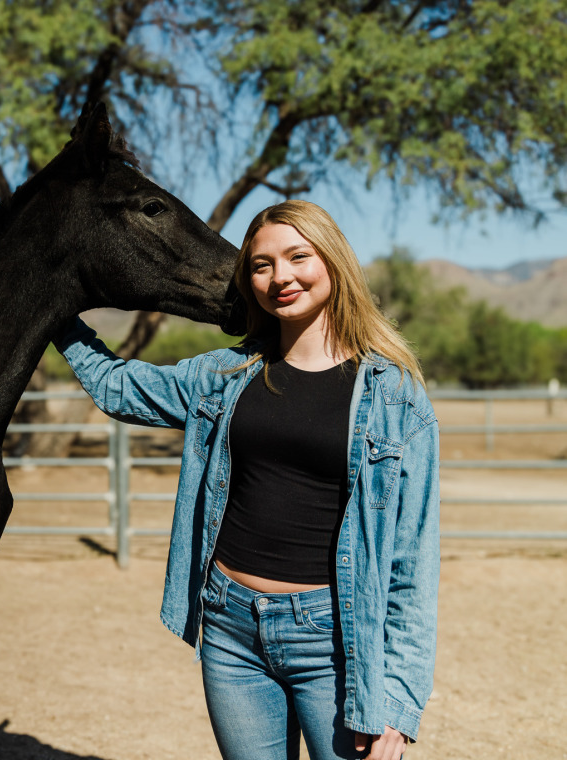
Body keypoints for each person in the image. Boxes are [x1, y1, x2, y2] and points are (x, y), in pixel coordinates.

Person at [54, 199, 438, 760]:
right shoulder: (225, 375)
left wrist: (398, 708)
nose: (281, 276)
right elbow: (118, 386)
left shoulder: (394, 396)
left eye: (297, 256)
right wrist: (55, 312)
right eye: (261, 265)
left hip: (333, 641)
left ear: (332, 260)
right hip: (230, 628)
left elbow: (411, 560)